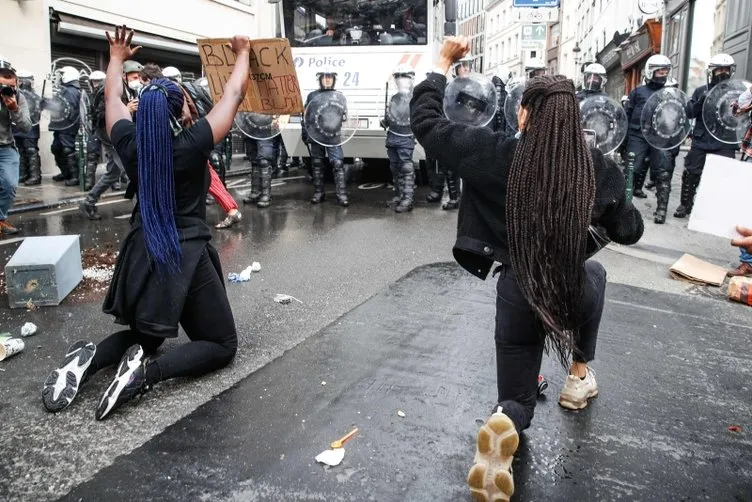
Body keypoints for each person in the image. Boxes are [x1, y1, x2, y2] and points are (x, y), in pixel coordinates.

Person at [411, 36, 644, 500]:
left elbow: (427, 124)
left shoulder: (494, 154)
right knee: (596, 277)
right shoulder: (598, 170)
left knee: (516, 396)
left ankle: (504, 423)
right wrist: (617, 195)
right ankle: (578, 375)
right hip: (571, 287)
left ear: (523, 114)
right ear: (573, 120)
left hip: (517, 291)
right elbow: (630, 231)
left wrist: (440, 64)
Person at [42, 26, 248, 419]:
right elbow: (234, 95)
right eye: (187, 101)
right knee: (221, 344)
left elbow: (112, 99)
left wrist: (115, 56)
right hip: (183, 253)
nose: (192, 105)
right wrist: (242, 53)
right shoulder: (191, 146)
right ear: (180, 110)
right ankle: (145, 376)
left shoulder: (131, 144)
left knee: (148, 335)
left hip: (142, 250)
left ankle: (91, 359)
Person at [674, 54, 738, 220]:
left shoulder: (737, 91)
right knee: (691, 172)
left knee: (723, 175)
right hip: (702, 140)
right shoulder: (700, 90)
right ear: (712, 71)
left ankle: (716, 209)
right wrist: (700, 101)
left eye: (726, 69)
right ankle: (685, 204)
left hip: (725, 140)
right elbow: (689, 113)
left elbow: (742, 116)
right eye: (719, 69)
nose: (722, 73)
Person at [79, 63, 138, 220]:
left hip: (118, 134)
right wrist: (127, 109)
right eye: (134, 77)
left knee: (113, 173)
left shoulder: (128, 88)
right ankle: (142, 214)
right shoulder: (110, 86)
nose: (137, 80)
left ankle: (89, 202)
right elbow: (102, 114)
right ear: (124, 75)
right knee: (133, 170)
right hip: (110, 135)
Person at [624, 54, 672, 222]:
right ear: (650, 72)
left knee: (663, 172)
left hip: (660, 137)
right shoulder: (637, 92)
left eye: (665, 72)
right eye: (660, 72)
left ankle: (661, 211)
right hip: (638, 135)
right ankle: (622, 208)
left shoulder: (669, 92)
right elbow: (627, 115)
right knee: (632, 169)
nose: (663, 75)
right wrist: (624, 141)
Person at [303, 67, 349, 206]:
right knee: (317, 164)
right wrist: (305, 133)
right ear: (320, 80)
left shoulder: (340, 96)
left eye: (329, 77)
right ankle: (319, 193)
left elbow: (345, 116)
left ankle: (341, 195)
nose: (327, 79)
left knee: (338, 163)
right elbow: (305, 117)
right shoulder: (312, 96)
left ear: (333, 80)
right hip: (316, 135)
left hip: (332, 136)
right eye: (324, 77)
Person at [0, 56, 31, 236]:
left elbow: (26, 126)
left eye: (11, 86)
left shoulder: (18, 97)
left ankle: (0, 219)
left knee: (10, 184)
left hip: (5, 147)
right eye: (3, 85)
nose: (6, 89)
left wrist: (14, 110)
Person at [381, 64, 416, 213]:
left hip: (406, 137)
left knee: (406, 167)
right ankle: (400, 195)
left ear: (410, 80)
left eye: (405, 78)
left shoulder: (414, 99)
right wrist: (385, 121)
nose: (402, 81)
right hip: (393, 136)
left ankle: (408, 199)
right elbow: (392, 116)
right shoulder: (394, 98)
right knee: (395, 167)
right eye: (399, 78)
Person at [49, 66, 82, 186]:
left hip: (67, 126)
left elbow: (68, 107)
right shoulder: (64, 90)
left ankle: (75, 176)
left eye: (62, 74)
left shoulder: (70, 91)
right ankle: (66, 172)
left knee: (68, 150)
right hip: (60, 126)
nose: (59, 77)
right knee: (56, 148)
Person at [12, 70, 42, 186]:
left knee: (31, 151)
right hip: (17, 128)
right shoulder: (16, 95)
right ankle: (23, 175)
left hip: (30, 129)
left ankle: (35, 176)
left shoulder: (34, 97)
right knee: (20, 151)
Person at [84, 70, 107, 190]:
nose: (96, 83)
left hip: (107, 127)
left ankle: (116, 181)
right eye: (94, 81)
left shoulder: (109, 93)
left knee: (113, 155)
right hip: (95, 127)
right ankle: (89, 182)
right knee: (91, 154)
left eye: (98, 81)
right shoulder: (91, 96)